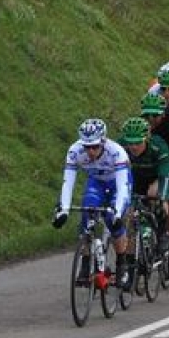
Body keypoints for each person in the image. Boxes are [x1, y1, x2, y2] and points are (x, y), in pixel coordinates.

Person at [52, 119, 134, 287]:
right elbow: (68, 182)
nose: (90, 151)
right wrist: (64, 211)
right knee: (86, 213)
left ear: (103, 141)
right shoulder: (74, 152)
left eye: (95, 146)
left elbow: (123, 187)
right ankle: (85, 261)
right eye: (86, 147)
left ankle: (121, 263)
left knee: (112, 219)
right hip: (96, 183)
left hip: (117, 185)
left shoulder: (117, 152)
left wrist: (118, 212)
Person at [118, 117, 169, 280]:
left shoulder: (158, 146)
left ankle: (168, 244)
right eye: (130, 143)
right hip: (133, 181)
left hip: (155, 179)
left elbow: (165, 175)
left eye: (138, 142)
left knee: (160, 199)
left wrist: (164, 198)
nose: (133, 147)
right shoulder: (120, 147)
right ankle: (130, 268)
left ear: (146, 138)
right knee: (127, 219)